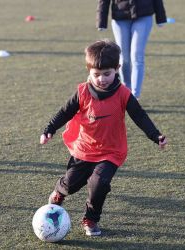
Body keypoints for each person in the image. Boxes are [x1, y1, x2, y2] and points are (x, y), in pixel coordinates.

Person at [40, 40, 167, 236]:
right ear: (88, 70)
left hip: (111, 152)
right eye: (96, 74)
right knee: (71, 184)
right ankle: (59, 192)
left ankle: (90, 219)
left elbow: (139, 115)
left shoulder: (123, 94)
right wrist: (49, 129)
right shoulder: (82, 91)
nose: (101, 79)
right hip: (84, 149)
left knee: (98, 184)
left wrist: (155, 135)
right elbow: (65, 112)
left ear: (117, 68)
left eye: (107, 74)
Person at [96, 0, 167, 99]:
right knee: (123, 58)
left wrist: (161, 17)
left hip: (144, 15)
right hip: (120, 16)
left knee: (137, 56)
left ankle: (135, 95)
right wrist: (101, 21)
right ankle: (126, 90)